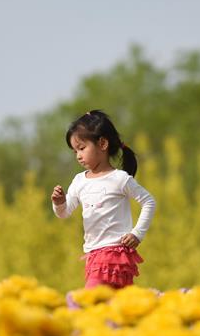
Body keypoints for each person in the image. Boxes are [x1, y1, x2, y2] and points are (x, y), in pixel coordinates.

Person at [51, 110, 156, 289]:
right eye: (75, 150)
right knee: (114, 309)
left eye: (82, 148)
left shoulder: (119, 179)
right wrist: (59, 202)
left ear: (102, 143)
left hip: (118, 255)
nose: (78, 155)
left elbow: (149, 202)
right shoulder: (79, 181)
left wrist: (137, 233)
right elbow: (64, 213)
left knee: (92, 301)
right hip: (93, 255)